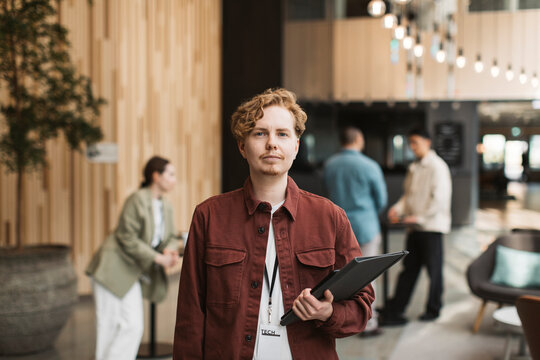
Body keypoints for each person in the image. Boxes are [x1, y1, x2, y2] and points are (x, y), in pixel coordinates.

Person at [173, 88, 374, 359]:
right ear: (242, 146)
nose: (272, 143)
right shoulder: (209, 216)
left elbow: (362, 304)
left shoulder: (330, 217)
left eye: (282, 133)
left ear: (296, 146)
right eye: (259, 133)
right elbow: (190, 315)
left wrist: (328, 312)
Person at [86, 156, 181, 360]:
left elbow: (172, 237)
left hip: (129, 273)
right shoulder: (138, 199)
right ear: (156, 176)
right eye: (170, 174)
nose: (175, 179)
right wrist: (157, 259)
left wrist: (168, 251)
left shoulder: (166, 204)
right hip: (111, 270)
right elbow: (125, 236)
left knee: (133, 327)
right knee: (110, 328)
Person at [380, 128, 452, 326]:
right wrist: (397, 208)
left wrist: (418, 217)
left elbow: (439, 200)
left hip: (431, 228)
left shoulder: (438, 167)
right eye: (410, 143)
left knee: (433, 272)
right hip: (414, 228)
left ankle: (433, 310)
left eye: (415, 143)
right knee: (408, 270)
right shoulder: (414, 167)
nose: (412, 147)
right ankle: (396, 308)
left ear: (427, 142)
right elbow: (408, 196)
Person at [323, 126, 387, 335]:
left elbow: (326, 196)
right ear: (359, 140)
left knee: (341, 275)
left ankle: (342, 319)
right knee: (369, 276)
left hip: (336, 228)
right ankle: (369, 323)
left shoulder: (329, 165)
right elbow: (381, 200)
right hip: (365, 226)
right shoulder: (369, 166)